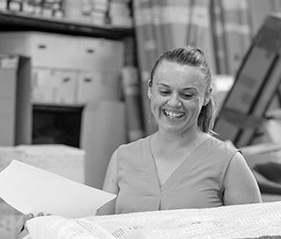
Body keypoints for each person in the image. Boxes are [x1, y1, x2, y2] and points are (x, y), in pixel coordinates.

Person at [97, 45, 261, 214]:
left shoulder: (229, 163)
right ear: (150, 90)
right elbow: (100, 231)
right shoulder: (122, 158)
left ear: (206, 96)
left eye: (187, 95)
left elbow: (254, 236)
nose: (174, 103)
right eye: (165, 91)